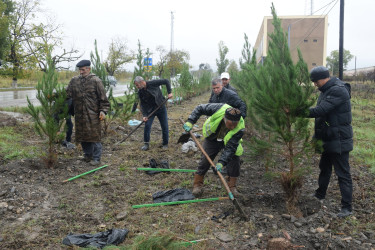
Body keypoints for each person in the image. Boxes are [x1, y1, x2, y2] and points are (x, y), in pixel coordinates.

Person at [308, 66, 353, 218]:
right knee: (324, 168)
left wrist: (296, 110)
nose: (315, 84)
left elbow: (319, 111)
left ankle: (347, 207)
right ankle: (320, 194)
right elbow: (322, 115)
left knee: (342, 173)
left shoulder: (338, 90)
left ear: (323, 78)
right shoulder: (326, 90)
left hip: (339, 139)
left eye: (315, 81)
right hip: (328, 137)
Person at [183, 103, 245, 197]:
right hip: (213, 138)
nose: (232, 127)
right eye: (230, 124)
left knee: (235, 159)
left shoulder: (240, 127)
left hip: (229, 141)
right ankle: (197, 185)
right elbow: (199, 108)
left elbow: (231, 148)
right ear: (224, 118)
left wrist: (221, 162)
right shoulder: (219, 109)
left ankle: (232, 187)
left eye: (234, 125)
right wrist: (190, 121)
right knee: (205, 160)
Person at [66, 60, 110, 166]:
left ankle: (96, 158)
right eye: (79, 70)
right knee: (82, 135)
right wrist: (54, 95)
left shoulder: (96, 81)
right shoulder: (74, 81)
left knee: (94, 136)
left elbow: (103, 99)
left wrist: (103, 111)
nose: (81, 72)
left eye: (83, 70)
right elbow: (67, 93)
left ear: (88, 69)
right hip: (79, 114)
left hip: (93, 115)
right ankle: (87, 155)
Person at [133, 76, 173, 151]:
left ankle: (165, 143)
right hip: (150, 110)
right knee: (147, 125)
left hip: (160, 107)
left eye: (137, 85)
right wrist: (145, 115)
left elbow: (166, 80)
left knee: (164, 126)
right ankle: (146, 144)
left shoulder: (153, 83)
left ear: (142, 82)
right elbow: (143, 104)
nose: (137, 87)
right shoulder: (140, 92)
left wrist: (169, 92)